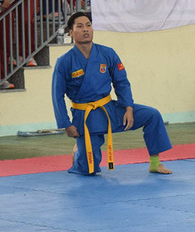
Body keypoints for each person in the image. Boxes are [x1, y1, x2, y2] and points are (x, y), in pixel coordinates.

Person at [52, 12, 173, 175]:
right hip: (85, 117)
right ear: (71, 32)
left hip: (110, 109)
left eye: (88, 25)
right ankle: (79, 151)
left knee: (152, 115)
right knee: (88, 170)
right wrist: (66, 123)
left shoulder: (107, 53)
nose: (85, 29)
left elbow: (121, 82)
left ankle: (155, 163)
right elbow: (57, 96)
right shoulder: (65, 61)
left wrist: (128, 107)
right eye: (79, 26)